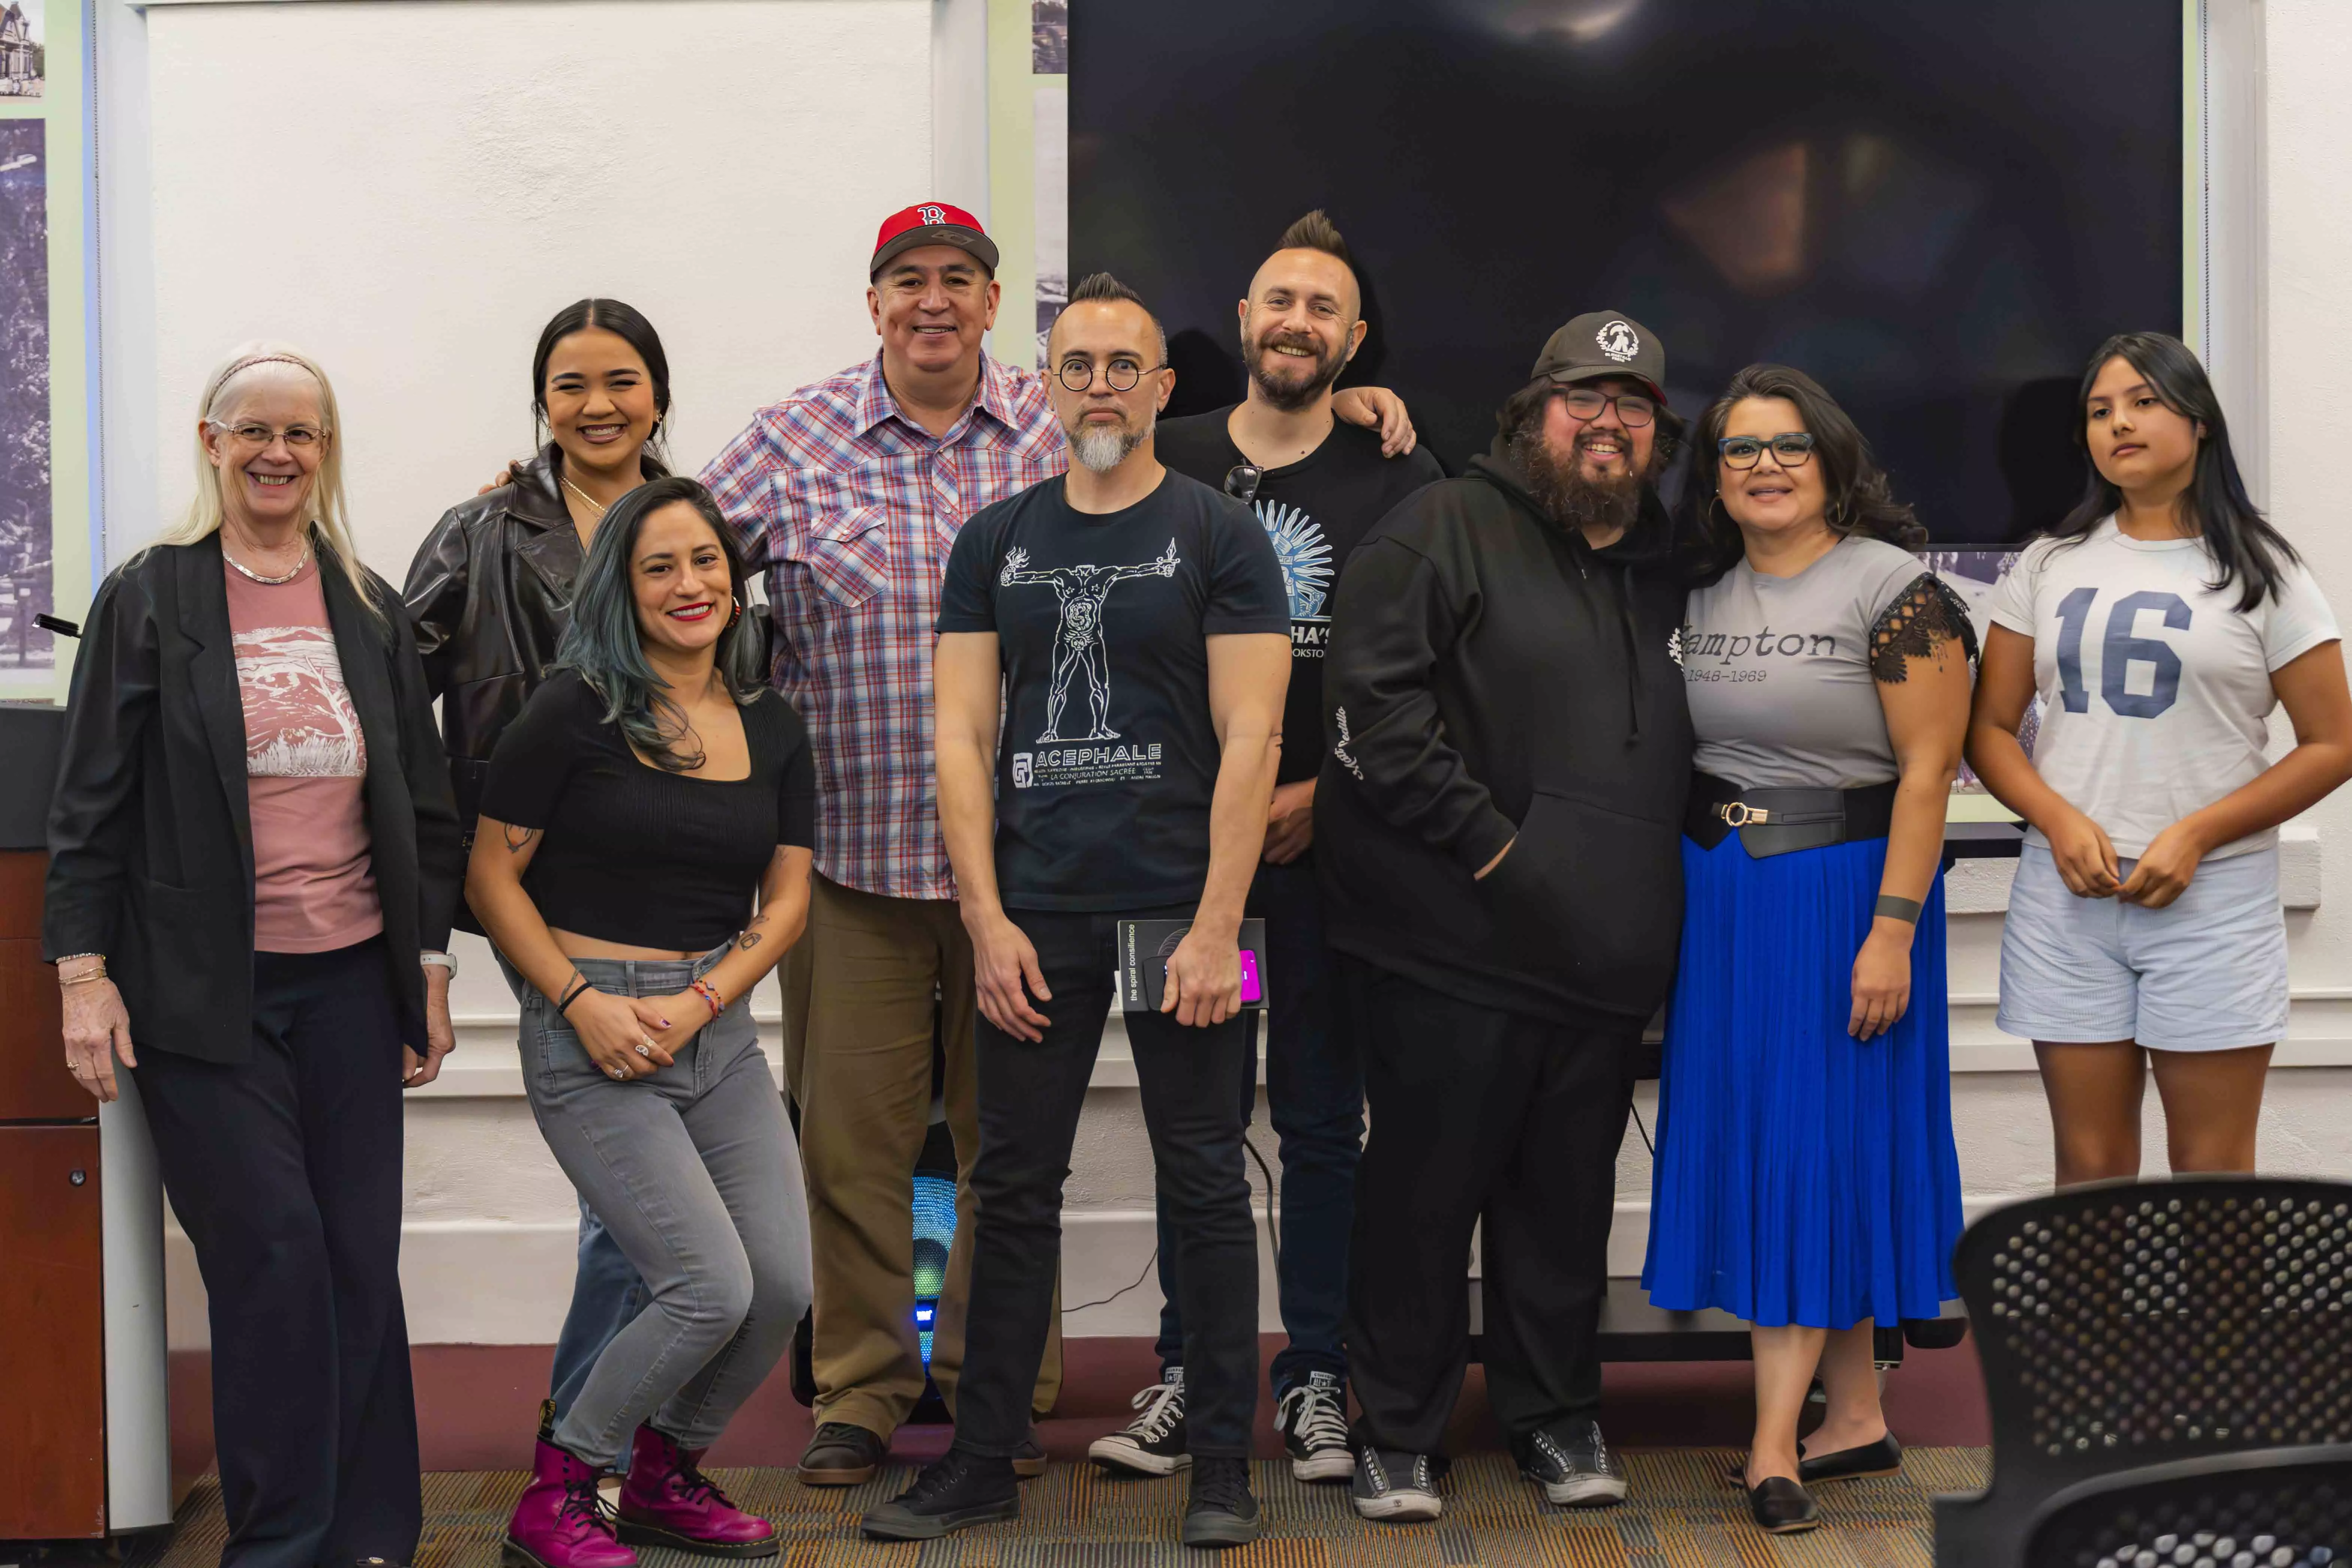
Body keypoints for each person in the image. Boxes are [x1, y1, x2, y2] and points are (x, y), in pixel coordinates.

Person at [697, 202, 1413, 1484]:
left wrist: (1353, 405)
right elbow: (674, 551)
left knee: (1183, 1164)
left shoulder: (1132, 467)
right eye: (905, 281)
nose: (932, 301)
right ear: (875, 304)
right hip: (909, 874)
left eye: (957, 280)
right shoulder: (848, 459)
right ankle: (885, 1406)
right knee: (916, 1156)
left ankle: (1105, 1421)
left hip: (1169, 908)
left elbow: (1249, 456)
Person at [860, 273, 1292, 1550]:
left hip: (1193, 909)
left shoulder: (1221, 534)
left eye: (1123, 364)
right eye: (1074, 365)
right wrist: (981, 919)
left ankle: (1222, 1458)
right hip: (1033, 907)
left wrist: (1220, 922)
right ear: (1040, 388)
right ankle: (981, 1458)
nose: (1099, 383)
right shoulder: (996, 540)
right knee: (1010, 1181)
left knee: (1207, 1177)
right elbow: (957, 732)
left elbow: (1254, 733)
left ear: (1162, 388)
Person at [46, 345, 461, 1568]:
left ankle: (372, 1532)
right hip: (200, 991)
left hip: (350, 979)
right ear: (210, 440)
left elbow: (424, 809)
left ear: (325, 453)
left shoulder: (367, 601)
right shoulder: (151, 595)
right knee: (272, 1251)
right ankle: (282, 1543)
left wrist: (428, 966)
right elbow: (87, 808)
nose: (279, 451)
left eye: (304, 433)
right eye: (255, 430)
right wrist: (82, 973)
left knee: (353, 1256)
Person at [1315, 313, 1695, 1523]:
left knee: (1561, 1207)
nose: (1606, 421)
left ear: (1656, 433)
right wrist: (1496, 850)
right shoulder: (1438, 528)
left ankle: (1551, 1414)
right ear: (1530, 413)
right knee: (1419, 1201)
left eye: (1631, 404)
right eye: (1582, 397)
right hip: (1448, 945)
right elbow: (1374, 716)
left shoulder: (1673, 560)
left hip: (1596, 961)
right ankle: (1396, 1428)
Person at [1105, 208, 1441, 1484]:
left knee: (1315, 1120)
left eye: (1322, 308)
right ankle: (1190, 1371)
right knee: (1191, 1125)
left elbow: (1427, 674)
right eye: (1276, 299)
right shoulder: (1163, 453)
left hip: (1325, 862)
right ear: (1241, 320)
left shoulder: (1403, 478)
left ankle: (1310, 1373)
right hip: (1177, 871)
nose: (1295, 322)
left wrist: (1325, 795)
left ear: (1353, 341)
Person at [1641, 363, 1974, 1535]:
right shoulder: (1702, 593)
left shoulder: (1894, 589)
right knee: (1795, 1150)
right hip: (1724, 901)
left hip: (1842, 901)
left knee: (1802, 1150)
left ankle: (1773, 1443)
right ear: (1713, 476)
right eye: (1738, 449)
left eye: (1788, 445)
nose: (1764, 465)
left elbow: (1929, 772)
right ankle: (1853, 1417)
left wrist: (1889, 931)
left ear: (1831, 461)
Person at [467, 477, 815, 1567]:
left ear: (733, 574)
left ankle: (665, 1473)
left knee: (782, 1287)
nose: (688, 583)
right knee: (704, 1285)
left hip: (713, 1027)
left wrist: (706, 1001)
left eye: (704, 561)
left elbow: (789, 899)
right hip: (591, 1027)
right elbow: (489, 878)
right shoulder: (572, 708)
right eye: (658, 565)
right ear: (623, 586)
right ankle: (563, 1483)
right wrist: (580, 1002)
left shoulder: (770, 721)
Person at [1966, 333, 2351, 1186]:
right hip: (2067, 896)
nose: (2118, 424)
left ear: (2199, 422)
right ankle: (2096, 1332)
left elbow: (2334, 743)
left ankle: (2215, 1333)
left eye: (2142, 402)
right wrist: (2057, 819)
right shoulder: (2047, 563)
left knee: (2211, 1172)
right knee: (2091, 1170)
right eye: (2099, 411)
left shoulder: (2266, 570)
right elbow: (1989, 728)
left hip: (2212, 898)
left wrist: (2198, 833)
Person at [404, 297, 678, 1456]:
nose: (597, 405)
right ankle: (583, 1443)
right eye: (571, 384)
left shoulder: (697, 523)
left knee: (645, 1190)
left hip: (684, 887)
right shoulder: (478, 532)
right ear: (542, 402)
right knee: (631, 1193)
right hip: (539, 890)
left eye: (620, 380)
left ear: (657, 393)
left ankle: (607, 1429)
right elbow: (384, 683)